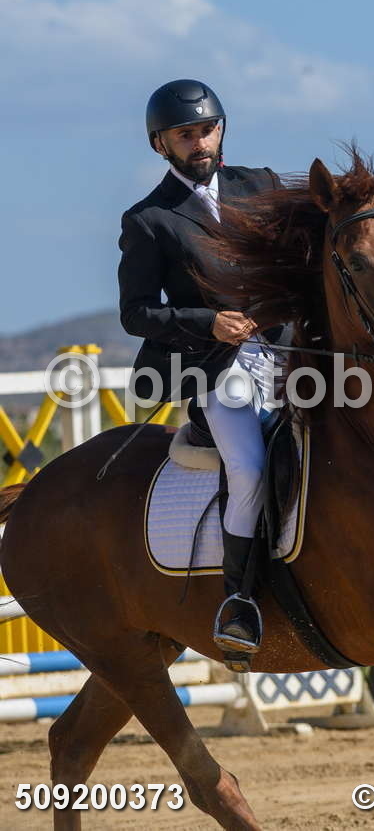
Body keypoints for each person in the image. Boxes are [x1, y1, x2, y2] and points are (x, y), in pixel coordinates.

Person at [118, 78, 286, 662]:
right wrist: (207, 322)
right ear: (160, 144)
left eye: (207, 129)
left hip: (291, 354)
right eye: (185, 134)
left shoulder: (261, 186)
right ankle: (239, 600)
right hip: (216, 367)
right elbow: (136, 313)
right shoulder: (150, 219)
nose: (200, 142)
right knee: (250, 467)